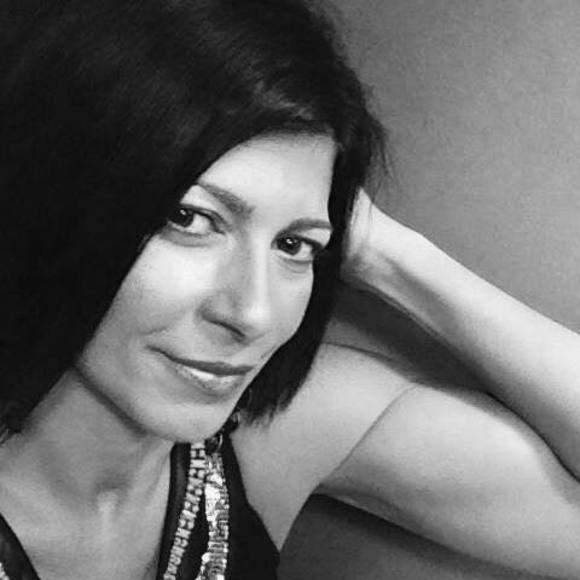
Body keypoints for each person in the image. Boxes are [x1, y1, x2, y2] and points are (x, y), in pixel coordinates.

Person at [0, 0, 579, 579]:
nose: (253, 313)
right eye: (188, 218)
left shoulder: (274, 436)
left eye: (294, 246)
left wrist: (388, 257)